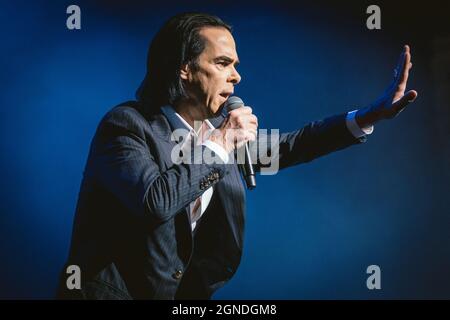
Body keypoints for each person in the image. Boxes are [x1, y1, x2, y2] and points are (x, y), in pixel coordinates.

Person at [57, 12, 418, 299]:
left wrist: (369, 115)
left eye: (235, 64)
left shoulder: (217, 138)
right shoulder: (128, 125)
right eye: (223, 63)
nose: (237, 77)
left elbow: (293, 146)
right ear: (184, 69)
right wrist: (222, 141)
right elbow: (154, 201)